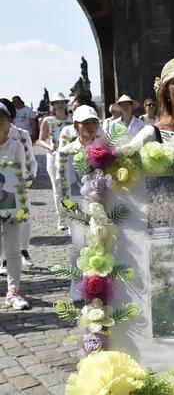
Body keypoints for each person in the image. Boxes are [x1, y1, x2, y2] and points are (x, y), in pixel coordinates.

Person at [55, 105, 104, 300]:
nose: (90, 127)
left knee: (102, 243)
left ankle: (100, 285)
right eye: (86, 123)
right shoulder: (67, 152)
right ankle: (76, 287)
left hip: (102, 203)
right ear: (77, 125)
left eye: (94, 122)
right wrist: (67, 208)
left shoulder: (104, 148)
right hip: (76, 204)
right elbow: (62, 184)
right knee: (78, 245)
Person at [0, 99, 37, 271]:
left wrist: (30, 176)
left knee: (25, 219)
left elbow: (29, 157)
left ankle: (23, 249)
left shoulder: (22, 134)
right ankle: (4, 259)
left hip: (19, 184)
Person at [0, 103, 30, 310]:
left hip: (11, 203)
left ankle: (13, 292)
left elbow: (22, 175)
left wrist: (19, 206)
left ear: (9, 122)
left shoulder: (15, 146)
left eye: (1, 119)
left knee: (12, 250)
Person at [37, 92, 73, 223]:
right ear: (53, 105)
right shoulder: (48, 120)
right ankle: (62, 219)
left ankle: (72, 217)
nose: (60, 104)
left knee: (70, 187)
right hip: (53, 157)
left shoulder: (73, 119)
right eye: (57, 102)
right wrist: (49, 147)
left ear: (66, 103)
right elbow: (40, 140)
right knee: (57, 188)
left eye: (62, 102)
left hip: (70, 157)